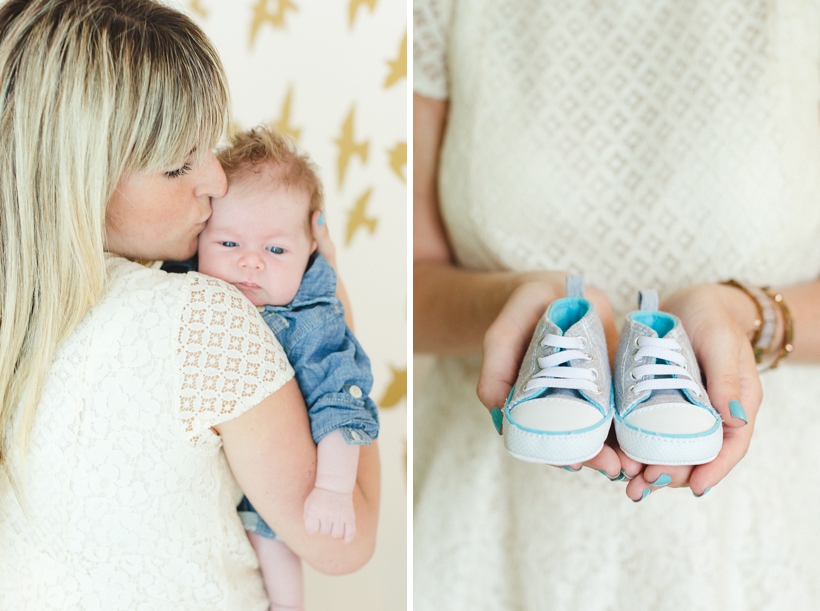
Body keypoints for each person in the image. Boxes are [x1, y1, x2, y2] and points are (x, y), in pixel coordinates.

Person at [413, 1, 820, 609]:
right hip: (491, 518)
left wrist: (747, 317)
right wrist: (514, 305)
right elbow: (413, 282)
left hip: (766, 521)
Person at [0, 1, 379, 609]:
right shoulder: (204, 321)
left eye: (212, 146)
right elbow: (344, 543)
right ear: (81, 178)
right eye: (180, 164)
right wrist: (329, 307)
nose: (216, 181)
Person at [197, 125, 380, 611]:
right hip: (216, 501)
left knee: (275, 551)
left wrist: (334, 489)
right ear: (198, 239)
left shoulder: (312, 324)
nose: (251, 263)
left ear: (311, 256)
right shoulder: (193, 297)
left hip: (278, 493)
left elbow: (342, 402)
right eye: (228, 245)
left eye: (276, 250)